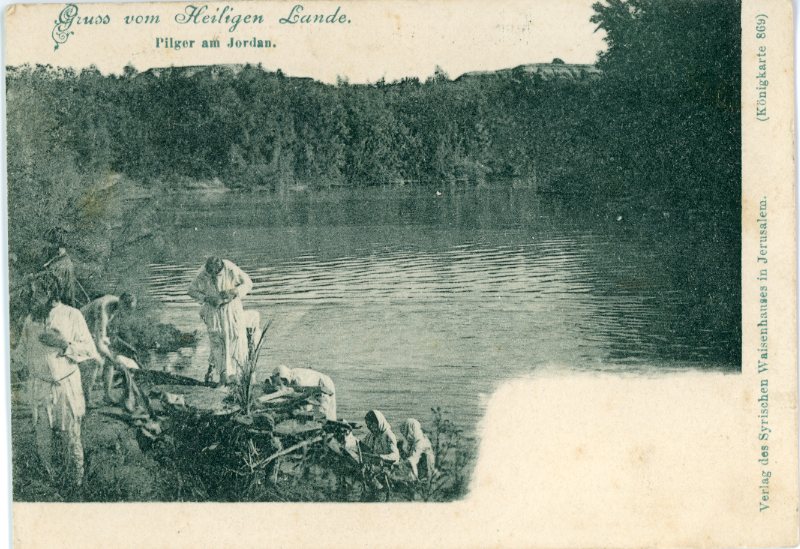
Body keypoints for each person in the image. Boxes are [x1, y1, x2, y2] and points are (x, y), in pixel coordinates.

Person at [19, 275, 100, 487]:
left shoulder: (72, 315)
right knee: (43, 440)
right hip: (40, 388)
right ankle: (50, 482)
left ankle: (77, 483)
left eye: (36, 293)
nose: (32, 298)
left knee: (71, 437)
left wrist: (64, 344)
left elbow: (90, 350)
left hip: (66, 387)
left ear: (50, 294)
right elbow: (20, 354)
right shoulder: (31, 319)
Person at [188, 256, 253, 385]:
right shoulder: (202, 273)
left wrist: (234, 291)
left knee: (235, 338)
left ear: (220, 268)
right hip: (213, 310)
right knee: (217, 341)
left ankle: (236, 375)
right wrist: (207, 298)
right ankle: (223, 376)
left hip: (231, 308)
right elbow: (191, 290)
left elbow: (248, 283)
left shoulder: (230, 268)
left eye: (215, 274)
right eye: (210, 273)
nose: (213, 276)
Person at [80, 293, 137, 404]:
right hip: (79, 331)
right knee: (95, 361)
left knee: (110, 361)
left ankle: (107, 395)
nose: (128, 312)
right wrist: (112, 358)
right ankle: (87, 399)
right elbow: (99, 343)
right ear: (121, 303)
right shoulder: (103, 310)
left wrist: (127, 348)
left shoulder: (116, 302)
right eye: (127, 309)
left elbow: (108, 333)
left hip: (92, 330)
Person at [270, 365, 337, 421]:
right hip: (316, 385)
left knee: (325, 412)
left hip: (325, 385)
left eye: (282, 381)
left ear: (282, 376)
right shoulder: (291, 374)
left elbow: (307, 398)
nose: (282, 384)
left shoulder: (299, 380)